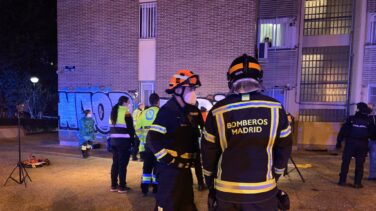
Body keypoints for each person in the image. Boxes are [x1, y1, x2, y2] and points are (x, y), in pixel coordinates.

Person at [201, 54, 293, 211]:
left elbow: (208, 152)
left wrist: (209, 181)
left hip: (226, 192)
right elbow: (284, 148)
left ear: (230, 79)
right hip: (263, 192)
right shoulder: (276, 108)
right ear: (259, 78)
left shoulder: (217, 110)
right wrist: (275, 176)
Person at [147, 69, 202, 210]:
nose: (193, 92)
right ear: (177, 90)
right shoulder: (168, 111)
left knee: (187, 205)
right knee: (168, 205)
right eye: (190, 88)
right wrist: (169, 160)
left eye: (194, 88)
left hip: (185, 170)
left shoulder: (192, 111)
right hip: (170, 172)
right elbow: (152, 139)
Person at [337, 102, 373, 188]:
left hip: (350, 143)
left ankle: (342, 181)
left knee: (345, 162)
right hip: (362, 144)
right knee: (360, 164)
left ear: (357, 109)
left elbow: (343, 131)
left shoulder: (351, 119)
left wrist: (339, 142)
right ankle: (357, 183)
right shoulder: (369, 120)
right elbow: (372, 133)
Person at [109, 96, 135, 193]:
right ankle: (122, 186)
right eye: (128, 102)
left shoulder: (113, 112)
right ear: (124, 103)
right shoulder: (126, 113)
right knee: (122, 164)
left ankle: (113, 185)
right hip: (123, 143)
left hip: (114, 142)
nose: (129, 104)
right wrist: (133, 142)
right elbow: (131, 130)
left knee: (115, 163)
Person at [137, 93, 160, 196]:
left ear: (150, 101)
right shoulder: (160, 112)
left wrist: (142, 138)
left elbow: (137, 128)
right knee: (156, 166)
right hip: (157, 145)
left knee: (146, 167)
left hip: (146, 144)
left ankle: (144, 189)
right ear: (158, 101)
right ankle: (155, 189)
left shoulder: (143, 113)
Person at [368, 103, 376, 180]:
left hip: (372, 140)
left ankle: (372, 175)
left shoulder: (370, 118)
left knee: (373, 158)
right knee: (373, 158)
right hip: (373, 140)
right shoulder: (371, 118)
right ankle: (372, 175)